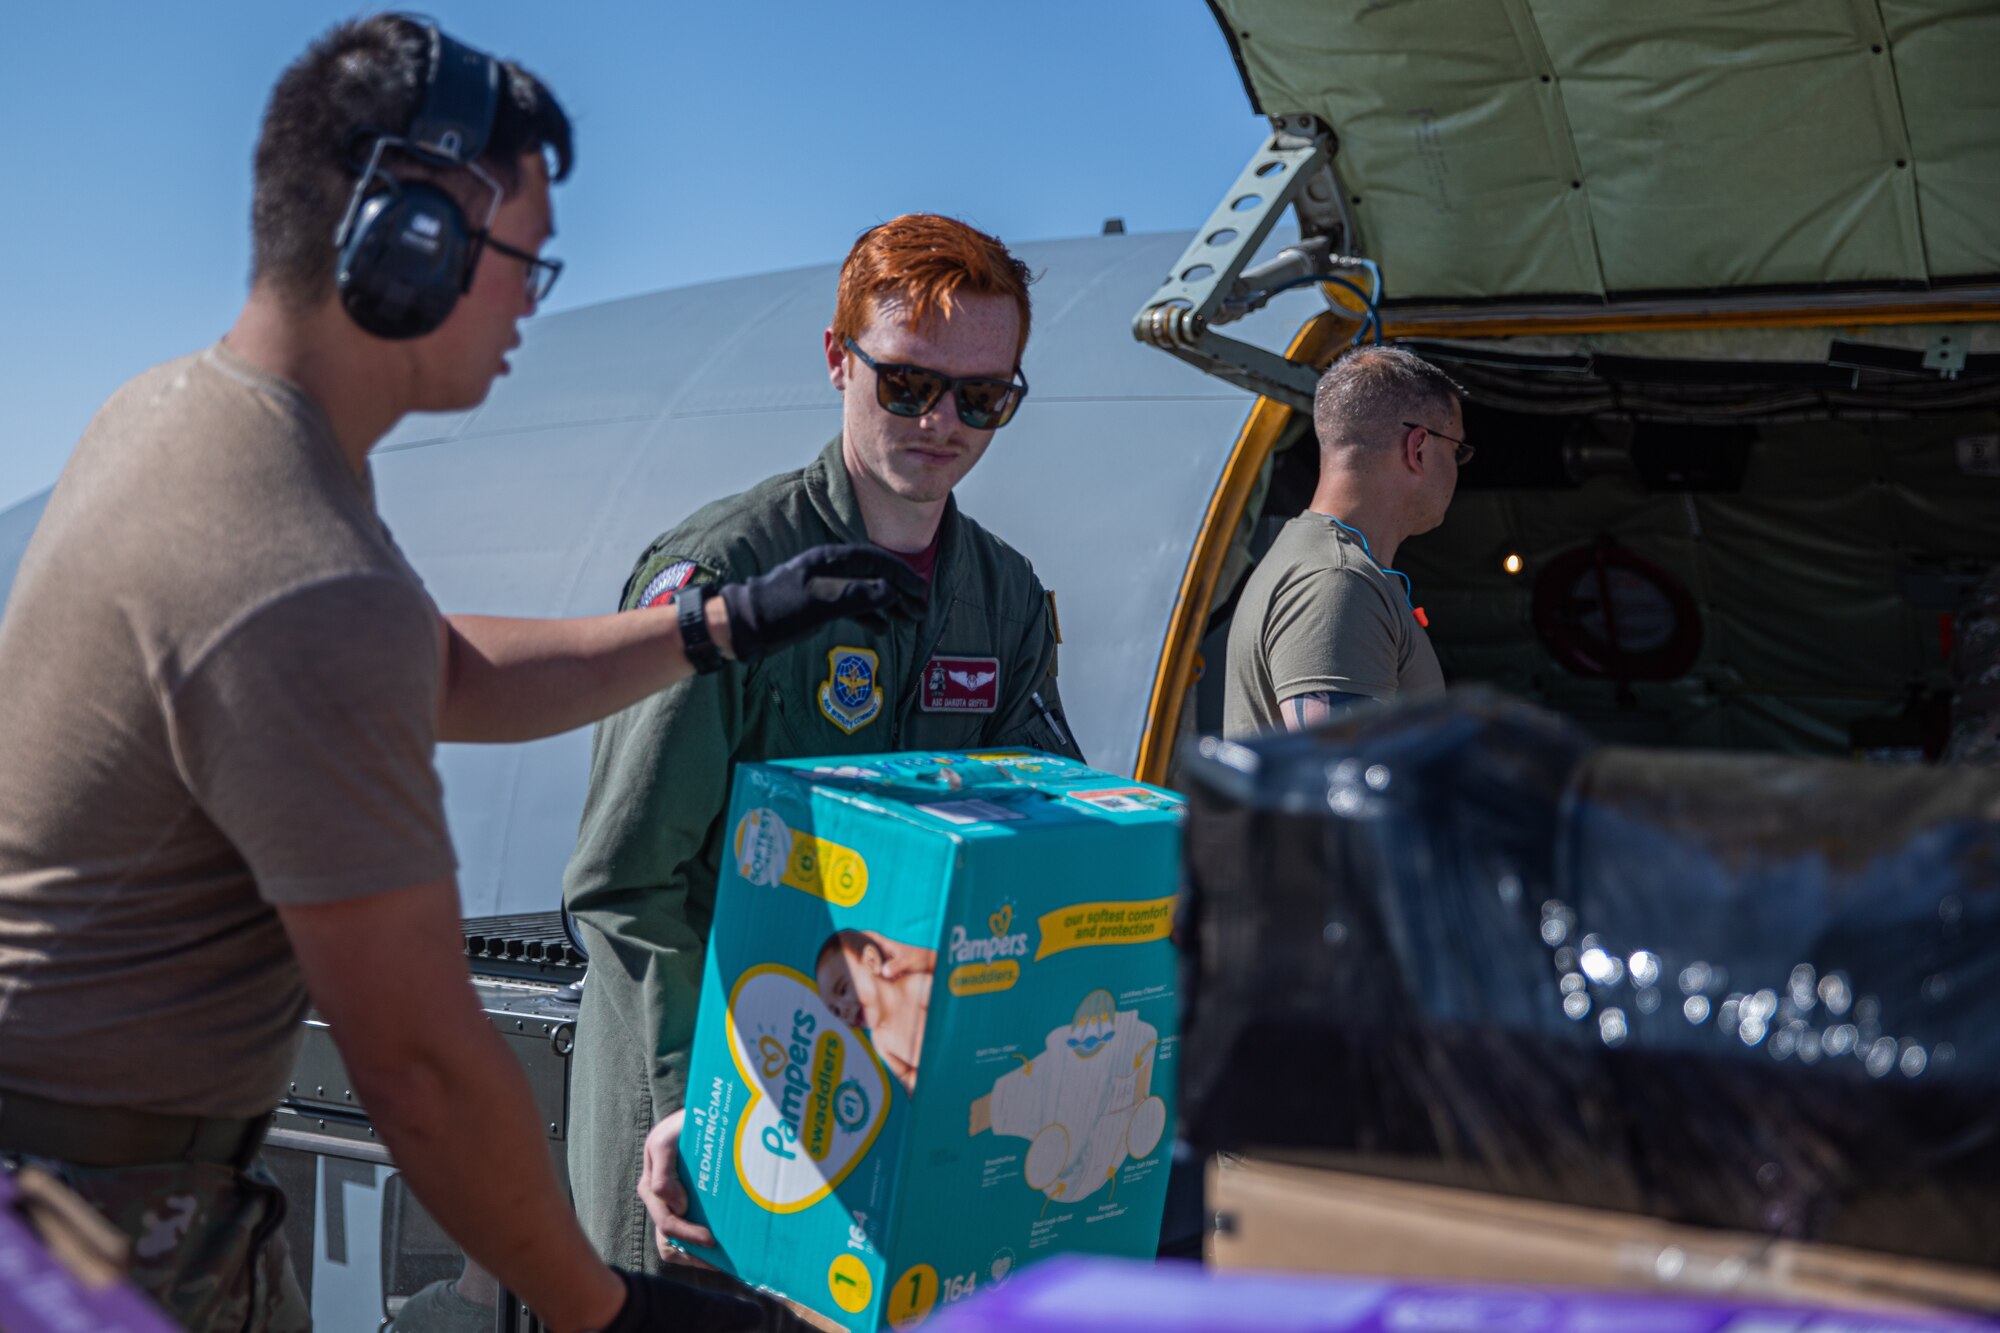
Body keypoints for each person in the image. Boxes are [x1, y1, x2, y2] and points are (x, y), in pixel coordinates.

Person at [0, 17, 919, 1333]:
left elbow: (432, 669)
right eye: (520, 263)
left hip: (69, 1189)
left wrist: (715, 626)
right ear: (409, 240)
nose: (530, 307)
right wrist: (605, 1309)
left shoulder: (177, 421)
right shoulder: (296, 566)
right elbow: (421, 1066)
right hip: (111, 1233)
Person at [563, 213, 1083, 1276]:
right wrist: (691, 1109)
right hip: (701, 1145)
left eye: (983, 397)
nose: (942, 421)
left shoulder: (1002, 599)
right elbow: (627, 882)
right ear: (838, 359)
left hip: (886, 1125)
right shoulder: (725, 579)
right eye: (906, 384)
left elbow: (1032, 832)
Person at [1222, 346, 1468, 737]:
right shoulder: (1337, 582)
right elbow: (1339, 786)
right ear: (1418, 449)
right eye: (1457, 450)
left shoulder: (1330, 566)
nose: (1457, 469)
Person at [815, 929, 938, 1092]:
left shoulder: (912, 988)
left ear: (871, 961)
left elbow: (954, 1004)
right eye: (835, 1011)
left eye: (843, 989)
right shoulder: (879, 1040)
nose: (843, 1010)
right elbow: (905, 1075)